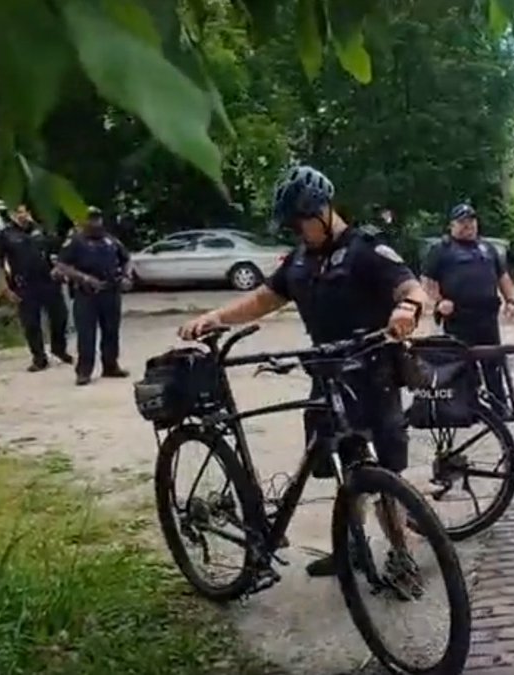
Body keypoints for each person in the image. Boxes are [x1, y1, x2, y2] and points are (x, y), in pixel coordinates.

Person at [177, 165, 429, 586]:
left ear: (324, 211)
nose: (299, 231)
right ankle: (350, 547)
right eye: (293, 225)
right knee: (342, 467)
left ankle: (400, 555)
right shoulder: (298, 261)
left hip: (374, 374)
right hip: (326, 377)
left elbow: (410, 287)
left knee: (386, 476)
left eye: (302, 222)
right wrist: (217, 317)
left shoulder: (366, 249)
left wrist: (407, 310)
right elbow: (263, 300)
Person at [422, 203, 514, 416]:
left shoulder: (487, 248)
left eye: (472, 221)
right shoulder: (441, 249)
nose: (469, 226)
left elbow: (502, 275)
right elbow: (428, 281)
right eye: (463, 222)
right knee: (462, 364)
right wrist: (439, 302)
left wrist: (510, 300)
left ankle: (499, 407)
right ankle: (469, 407)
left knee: (493, 362)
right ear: (452, 225)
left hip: (486, 316)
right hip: (458, 318)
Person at [0, 204, 73, 372]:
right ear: (11, 215)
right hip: (24, 285)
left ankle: (59, 349)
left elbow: (59, 251)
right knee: (31, 324)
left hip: (49, 282)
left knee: (60, 318)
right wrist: (4, 288)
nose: (21, 215)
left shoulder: (42, 230)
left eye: (24, 212)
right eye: (17, 212)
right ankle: (39, 358)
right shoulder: (6, 235)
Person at [54, 207, 131, 385]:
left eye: (97, 219)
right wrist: (84, 278)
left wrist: (126, 276)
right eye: (91, 219)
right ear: (83, 221)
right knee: (86, 335)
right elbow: (62, 265)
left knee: (111, 332)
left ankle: (111, 366)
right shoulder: (75, 241)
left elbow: (126, 258)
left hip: (110, 292)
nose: (95, 223)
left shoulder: (110, 240)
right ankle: (84, 372)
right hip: (87, 294)